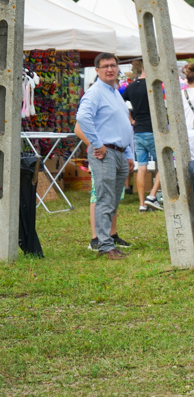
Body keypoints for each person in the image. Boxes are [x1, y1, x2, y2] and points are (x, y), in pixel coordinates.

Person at [76, 53, 134, 260]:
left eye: (113, 65)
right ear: (97, 71)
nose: (110, 69)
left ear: (118, 68)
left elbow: (123, 125)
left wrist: (128, 153)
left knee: (113, 201)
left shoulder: (115, 92)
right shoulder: (96, 92)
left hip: (118, 152)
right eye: (105, 66)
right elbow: (82, 118)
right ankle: (105, 245)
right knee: (104, 199)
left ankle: (108, 241)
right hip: (105, 153)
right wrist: (96, 143)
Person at [74, 122, 130, 252]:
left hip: (116, 154)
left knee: (113, 196)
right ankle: (96, 238)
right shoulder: (92, 102)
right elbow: (78, 128)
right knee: (99, 195)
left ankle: (112, 234)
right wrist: (97, 146)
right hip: (101, 156)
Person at [122, 59, 163, 213]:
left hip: (138, 131)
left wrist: (131, 120)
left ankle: (142, 204)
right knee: (165, 165)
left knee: (142, 168)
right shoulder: (154, 86)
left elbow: (121, 105)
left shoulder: (130, 87)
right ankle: (152, 196)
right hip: (153, 130)